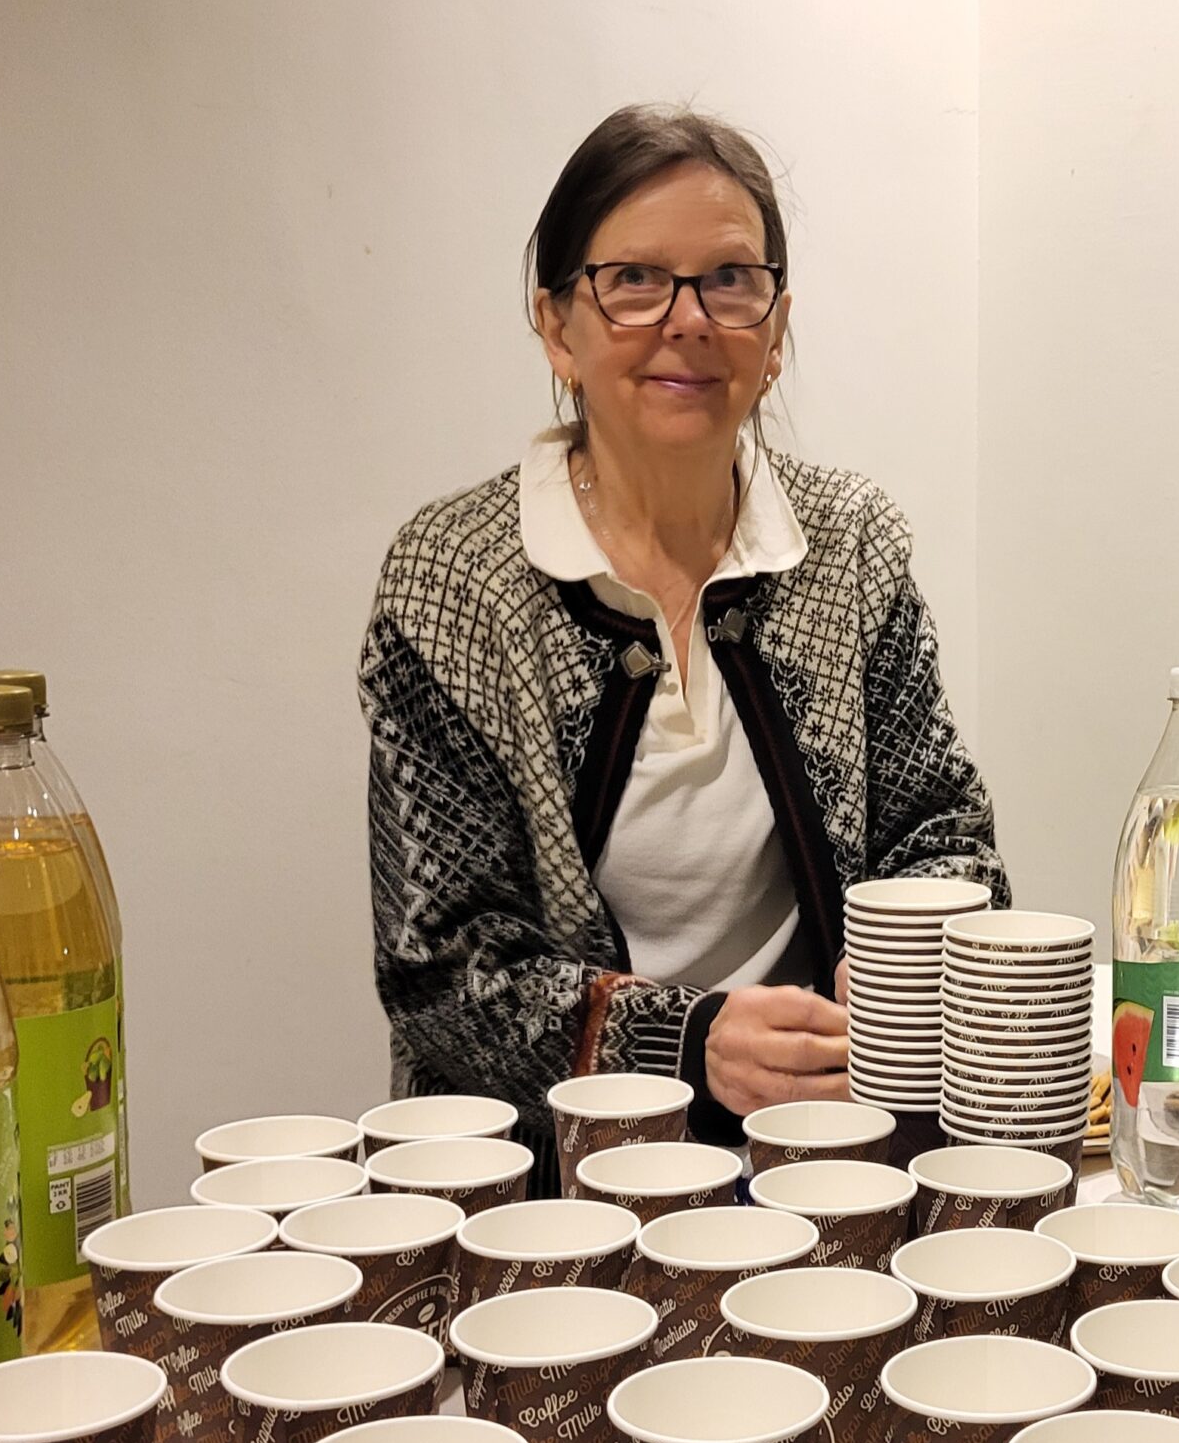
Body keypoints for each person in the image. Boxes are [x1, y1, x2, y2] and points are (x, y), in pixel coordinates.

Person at [360, 105, 1005, 1162]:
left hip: (823, 1160)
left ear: (776, 329)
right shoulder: (454, 579)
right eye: (634, 280)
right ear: (557, 327)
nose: (689, 319)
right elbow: (444, 966)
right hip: (545, 1188)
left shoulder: (850, 542)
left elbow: (947, 833)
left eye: (730, 280)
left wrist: (908, 955)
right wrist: (688, 1043)